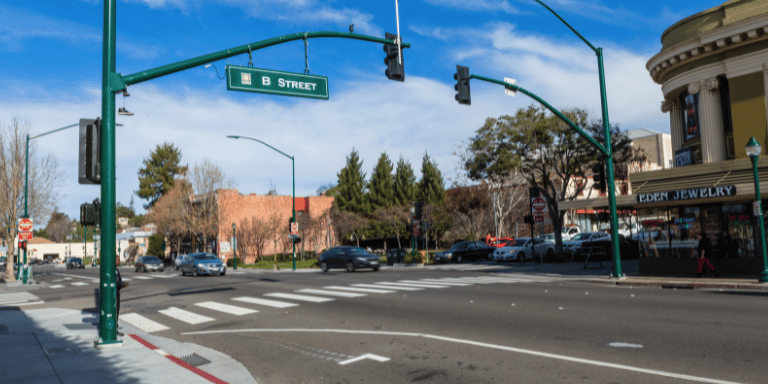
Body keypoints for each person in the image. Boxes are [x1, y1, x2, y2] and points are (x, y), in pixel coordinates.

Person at [116, 255, 128, 336]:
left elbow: (118, 281)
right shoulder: (112, 270)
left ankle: (115, 329)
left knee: (116, 311)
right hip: (113, 294)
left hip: (117, 293)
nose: (119, 261)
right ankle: (114, 330)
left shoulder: (116, 270)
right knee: (114, 311)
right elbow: (114, 282)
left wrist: (122, 284)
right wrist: (121, 284)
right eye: (118, 260)